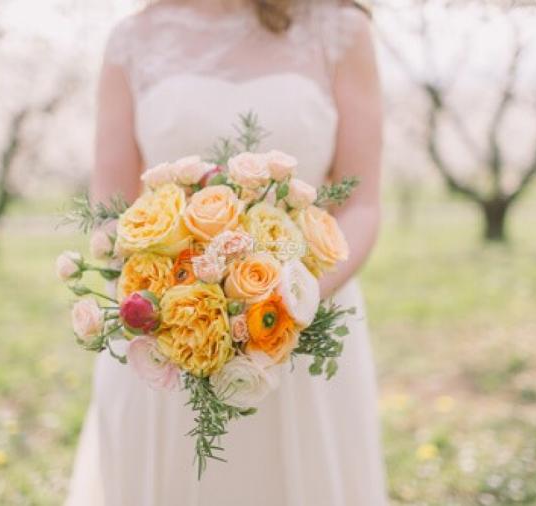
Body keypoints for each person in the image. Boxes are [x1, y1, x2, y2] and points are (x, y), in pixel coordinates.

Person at [67, 0, 386, 504]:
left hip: (308, 321)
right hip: (170, 336)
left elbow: (361, 204)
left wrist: (285, 306)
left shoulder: (337, 28)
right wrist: (177, 306)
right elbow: (111, 210)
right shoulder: (133, 39)